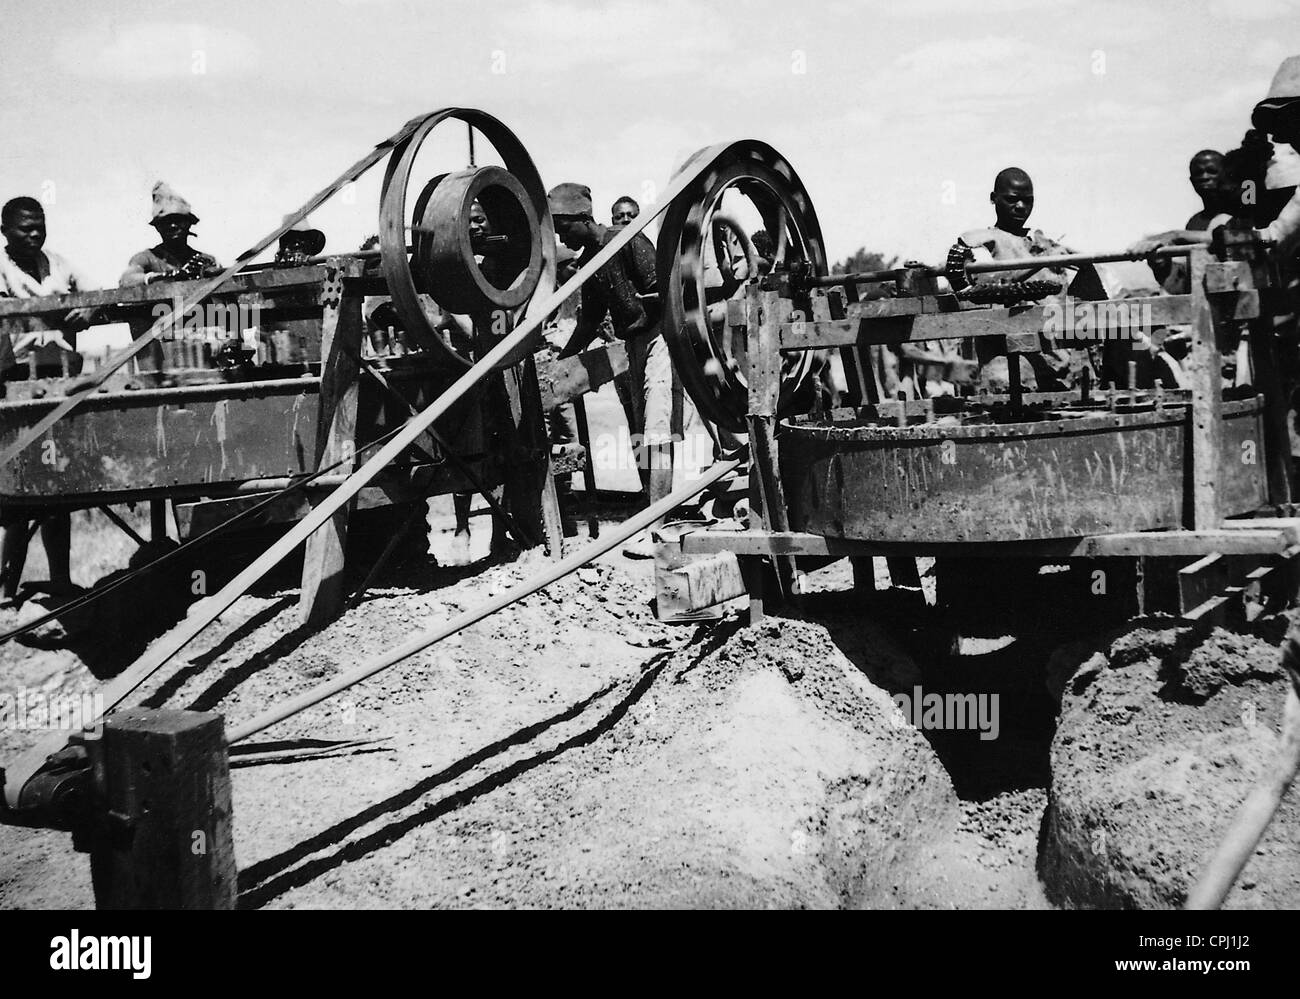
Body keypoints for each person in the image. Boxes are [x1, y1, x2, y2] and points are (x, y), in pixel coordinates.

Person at [550, 182, 667, 557]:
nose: (560, 235)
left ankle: (659, 529)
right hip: (631, 345)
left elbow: (662, 289)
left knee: (656, 431)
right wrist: (559, 362)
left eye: (563, 227)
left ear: (583, 218)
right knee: (638, 433)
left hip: (660, 338)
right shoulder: (592, 262)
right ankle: (652, 513)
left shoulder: (627, 239)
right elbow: (589, 321)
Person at [0, 197, 97, 599]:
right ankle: (6, 592)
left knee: (57, 486)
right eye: (26, 228)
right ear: (5, 230)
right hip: (11, 383)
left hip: (60, 377)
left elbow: (97, 297)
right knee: (12, 493)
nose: (35, 233)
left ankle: (60, 582)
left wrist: (87, 311)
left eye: (40, 225)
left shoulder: (59, 264)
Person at [1149, 151, 1233, 292]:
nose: (1204, 177)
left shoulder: (1239, 213)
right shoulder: (1195, 222)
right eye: (1198, 173)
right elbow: (1185, 279)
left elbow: (1226, 237)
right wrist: (1161, 263)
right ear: (1192, 181)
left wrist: (1177, 236)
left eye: (1212, 171)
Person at [120, 182, 220, 288]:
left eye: (178, 220)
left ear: (189, 223)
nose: (172, 226)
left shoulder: (205, 260)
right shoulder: (147, 258)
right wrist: (163, 276)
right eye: (166, 222)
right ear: (158, 227)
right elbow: (127, 280)